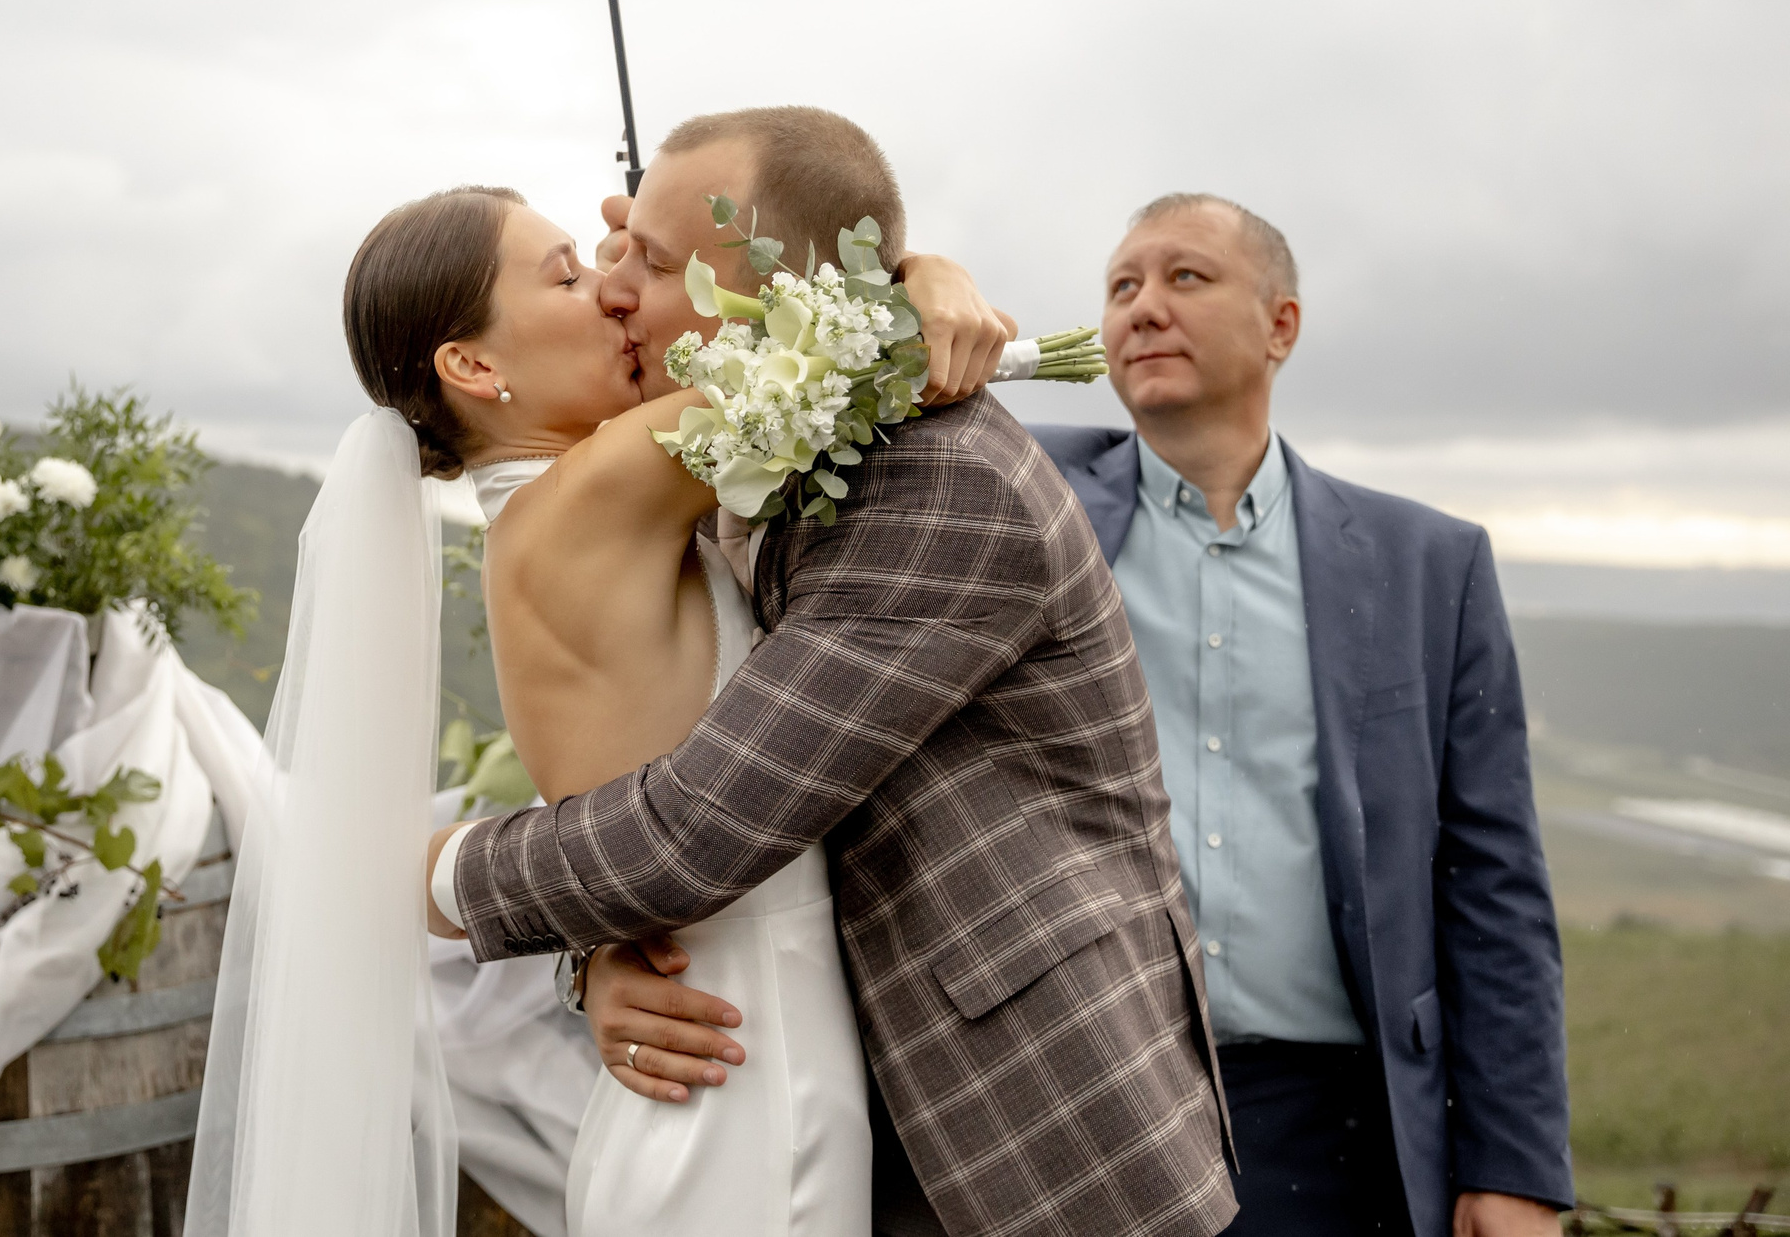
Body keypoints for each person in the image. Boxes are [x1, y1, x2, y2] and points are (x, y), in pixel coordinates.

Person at [429, 108, 1237, 1237]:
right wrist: (603, 955)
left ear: (779, 298)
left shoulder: (935, 483)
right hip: (823, 1087)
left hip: (1027, 1133)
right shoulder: (751, 453)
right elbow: (643, 735)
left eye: (649, 262)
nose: (614, 290)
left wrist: (429, 880)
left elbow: (692, 830)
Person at [185, 143, 1014, 1237]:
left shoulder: (549, 512)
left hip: (712, 1056)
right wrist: (923, 277)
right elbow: (825, 359)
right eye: (569, 275)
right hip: (741, 1071)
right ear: (472, 366)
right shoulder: (596, 492)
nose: (613, 294)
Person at [1025, 194, 1572, 1237]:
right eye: (1121, 286)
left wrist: (1514, 1164)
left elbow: (1492, 877)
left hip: (1339, 1134)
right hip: (1080, 1108)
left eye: (1185, 277)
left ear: (1281, 325)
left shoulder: (1429, 565)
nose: (1143, 307)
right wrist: (926, 289)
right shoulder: (1027, 499)